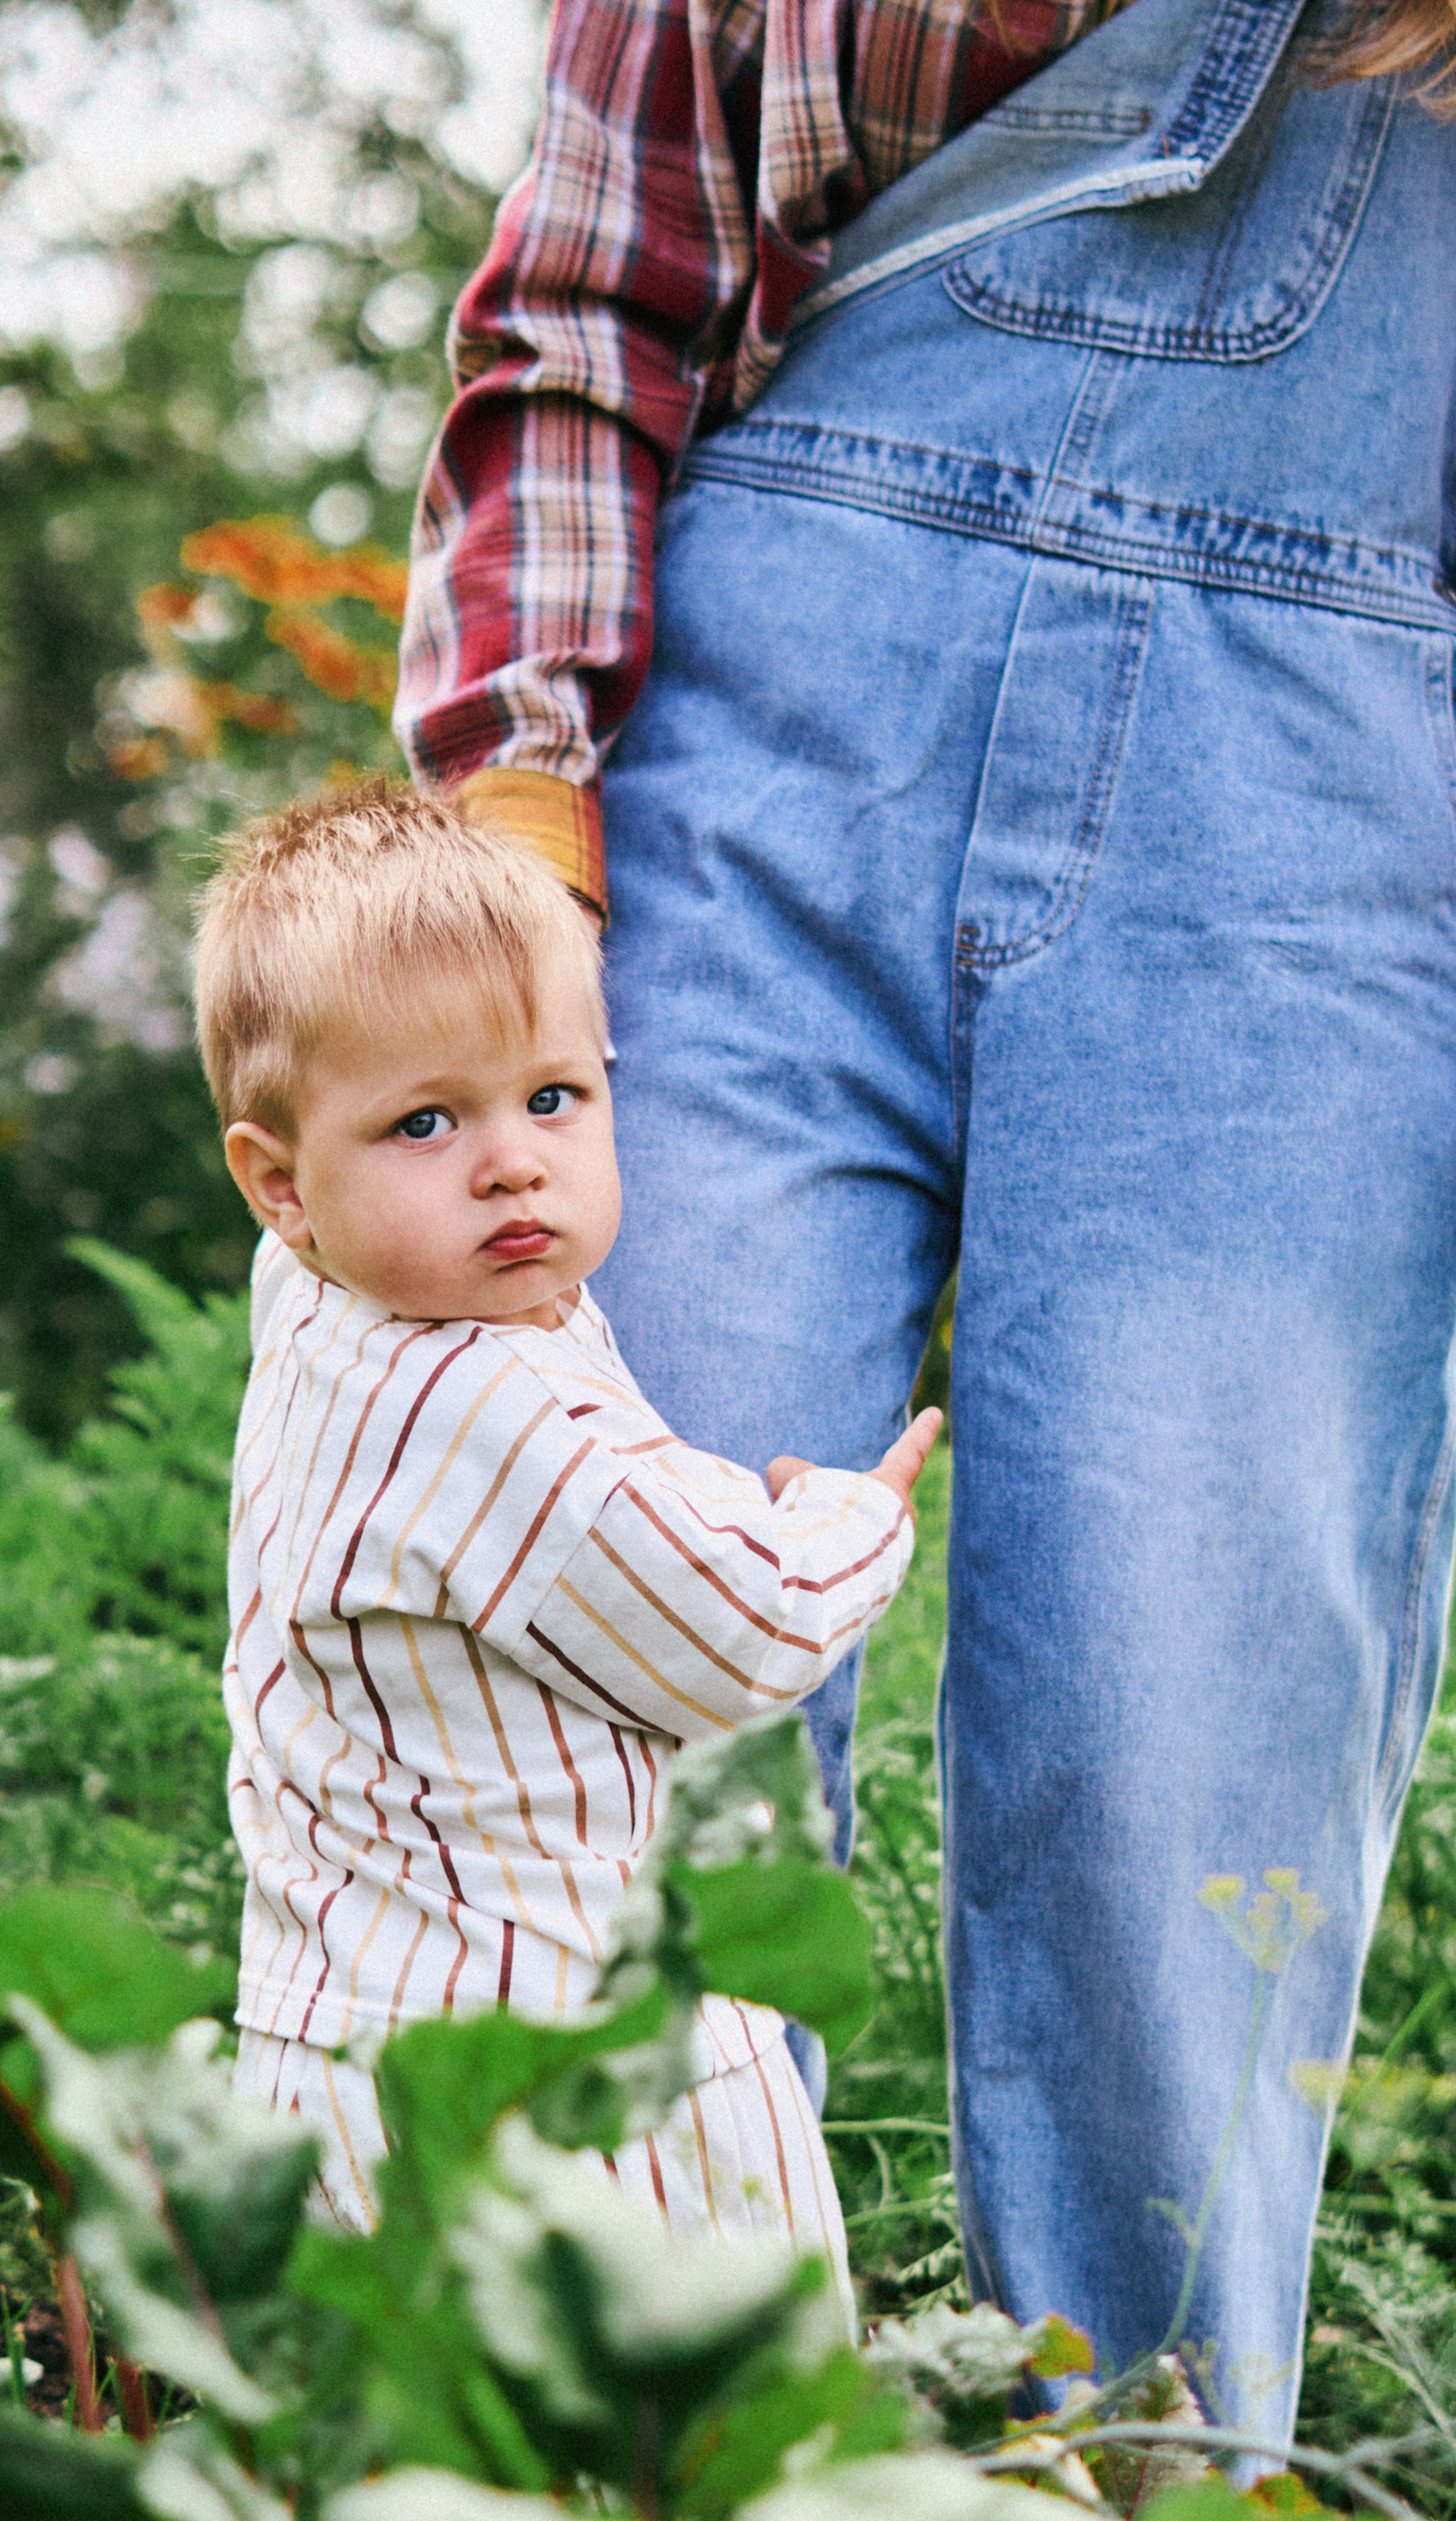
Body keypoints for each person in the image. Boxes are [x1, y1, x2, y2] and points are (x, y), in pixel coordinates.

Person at [390, 0, 1456, 2434]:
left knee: (1175, 1756)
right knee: (617, 1646)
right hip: (754, 799)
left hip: (1295, 854)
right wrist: (513, 815)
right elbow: (592, 286)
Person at [194, 778, 940, 2286]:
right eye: (425, 1121)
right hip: (568, 2080)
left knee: (423, 2489)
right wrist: (853, 1517)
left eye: (554, 1096)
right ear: (281, 1183)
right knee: (682, 2475)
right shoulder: (487, 1406)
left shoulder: (326, 1305)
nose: (511, 1161)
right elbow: (749, 1628)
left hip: (349, 2038)